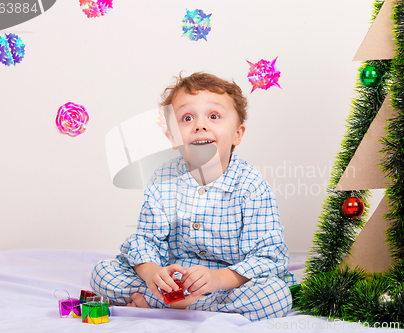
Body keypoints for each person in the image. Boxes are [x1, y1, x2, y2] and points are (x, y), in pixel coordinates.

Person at [90, 72, 295, 321]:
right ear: (173, 137)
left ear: (237, 134)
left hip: (228, 282)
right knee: (102, 274)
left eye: (214, 116)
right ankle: (180, 304)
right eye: (187, 118)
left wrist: (218, 279)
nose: (200, 125)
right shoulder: (163, 178)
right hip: (172, 280)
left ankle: (174, 307)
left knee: (275, 295)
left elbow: (267, 255)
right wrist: (153, 273)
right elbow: (145, 240)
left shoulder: (251, 185)